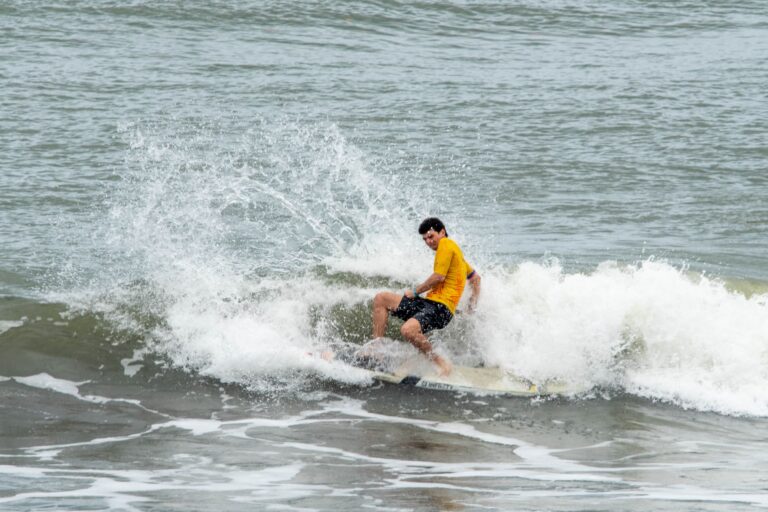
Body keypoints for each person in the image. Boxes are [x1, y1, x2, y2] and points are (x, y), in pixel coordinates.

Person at [371, 217, 481, 376]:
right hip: (429, 304)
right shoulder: (457, 256)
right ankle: (377, 351)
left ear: (442, 232)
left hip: (440, 308)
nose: (428, 242)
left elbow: (438, 277)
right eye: (425, 239)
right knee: (381, 298)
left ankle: (442, 364)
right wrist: (472, 305)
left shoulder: (446, 244)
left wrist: (415, 292)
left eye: (431, 236)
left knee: (408, 330)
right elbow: (476, 279)